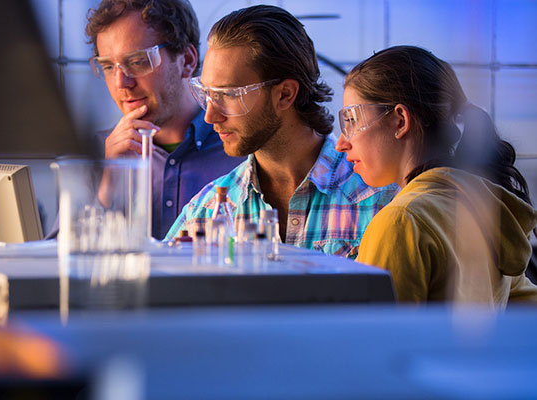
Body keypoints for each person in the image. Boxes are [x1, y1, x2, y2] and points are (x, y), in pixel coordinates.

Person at [165, 5, 397, 258]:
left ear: (285, 94)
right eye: (207, 94)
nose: (210, 116)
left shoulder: (381, 200)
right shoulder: (206, 212)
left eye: (229, 95)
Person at [335, 45, 537, 305]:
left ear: (400, 121)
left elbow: (378, 339)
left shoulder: (402, 221)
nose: (341, 142)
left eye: (350, 120)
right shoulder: (482, 207)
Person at [85, 0, 245, 239]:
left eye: (138, 61)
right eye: (108, 67)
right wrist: (108, 184)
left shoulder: (241, 149)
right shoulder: (95, 155)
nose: (121, 83)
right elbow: (60, 261)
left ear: (187, 61)